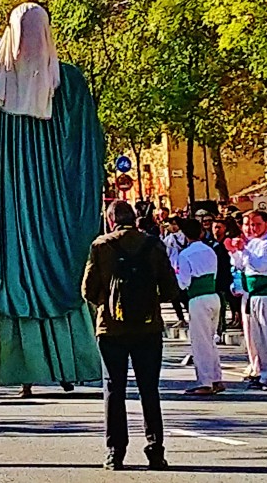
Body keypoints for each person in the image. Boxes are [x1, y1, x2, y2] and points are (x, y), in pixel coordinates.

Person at [0, 3, 102, 395]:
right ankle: (68, 367)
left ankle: (19, 371)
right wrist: (84, 204)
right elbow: (88, 151)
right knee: (62, 277)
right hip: (58, 213)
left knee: (14, 279)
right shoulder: (69, 83)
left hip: (9, 213)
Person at [82, 201, 179, 471]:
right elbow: (171, 289)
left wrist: (109, 304)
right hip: (148, 328)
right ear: (135, 219)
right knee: (149, 390)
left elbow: (87, 290)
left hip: (111, 329)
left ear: (111, 220)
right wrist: (148, 302)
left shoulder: (101, 246)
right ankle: (156, 451)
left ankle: (115, 453)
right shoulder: (154, 244)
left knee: (114, 389)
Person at [228, 210, 267, 390]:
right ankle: (265, 374)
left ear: (266, 224)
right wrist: (235, 252)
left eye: (257, 224)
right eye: (248, 224)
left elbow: (260, 265)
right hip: (253, 295)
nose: (252, 228)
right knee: (258, 339)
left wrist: (243, 251)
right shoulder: (253, 242)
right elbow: (240, 265)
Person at [174, 219, 225, 395]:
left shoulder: (185, 254)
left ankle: (205, 382)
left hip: (197, 299)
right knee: (210, 339)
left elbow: (184, 282)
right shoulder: (210, 250)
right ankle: (216, 378)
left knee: (200, 342)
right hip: (213, 296)